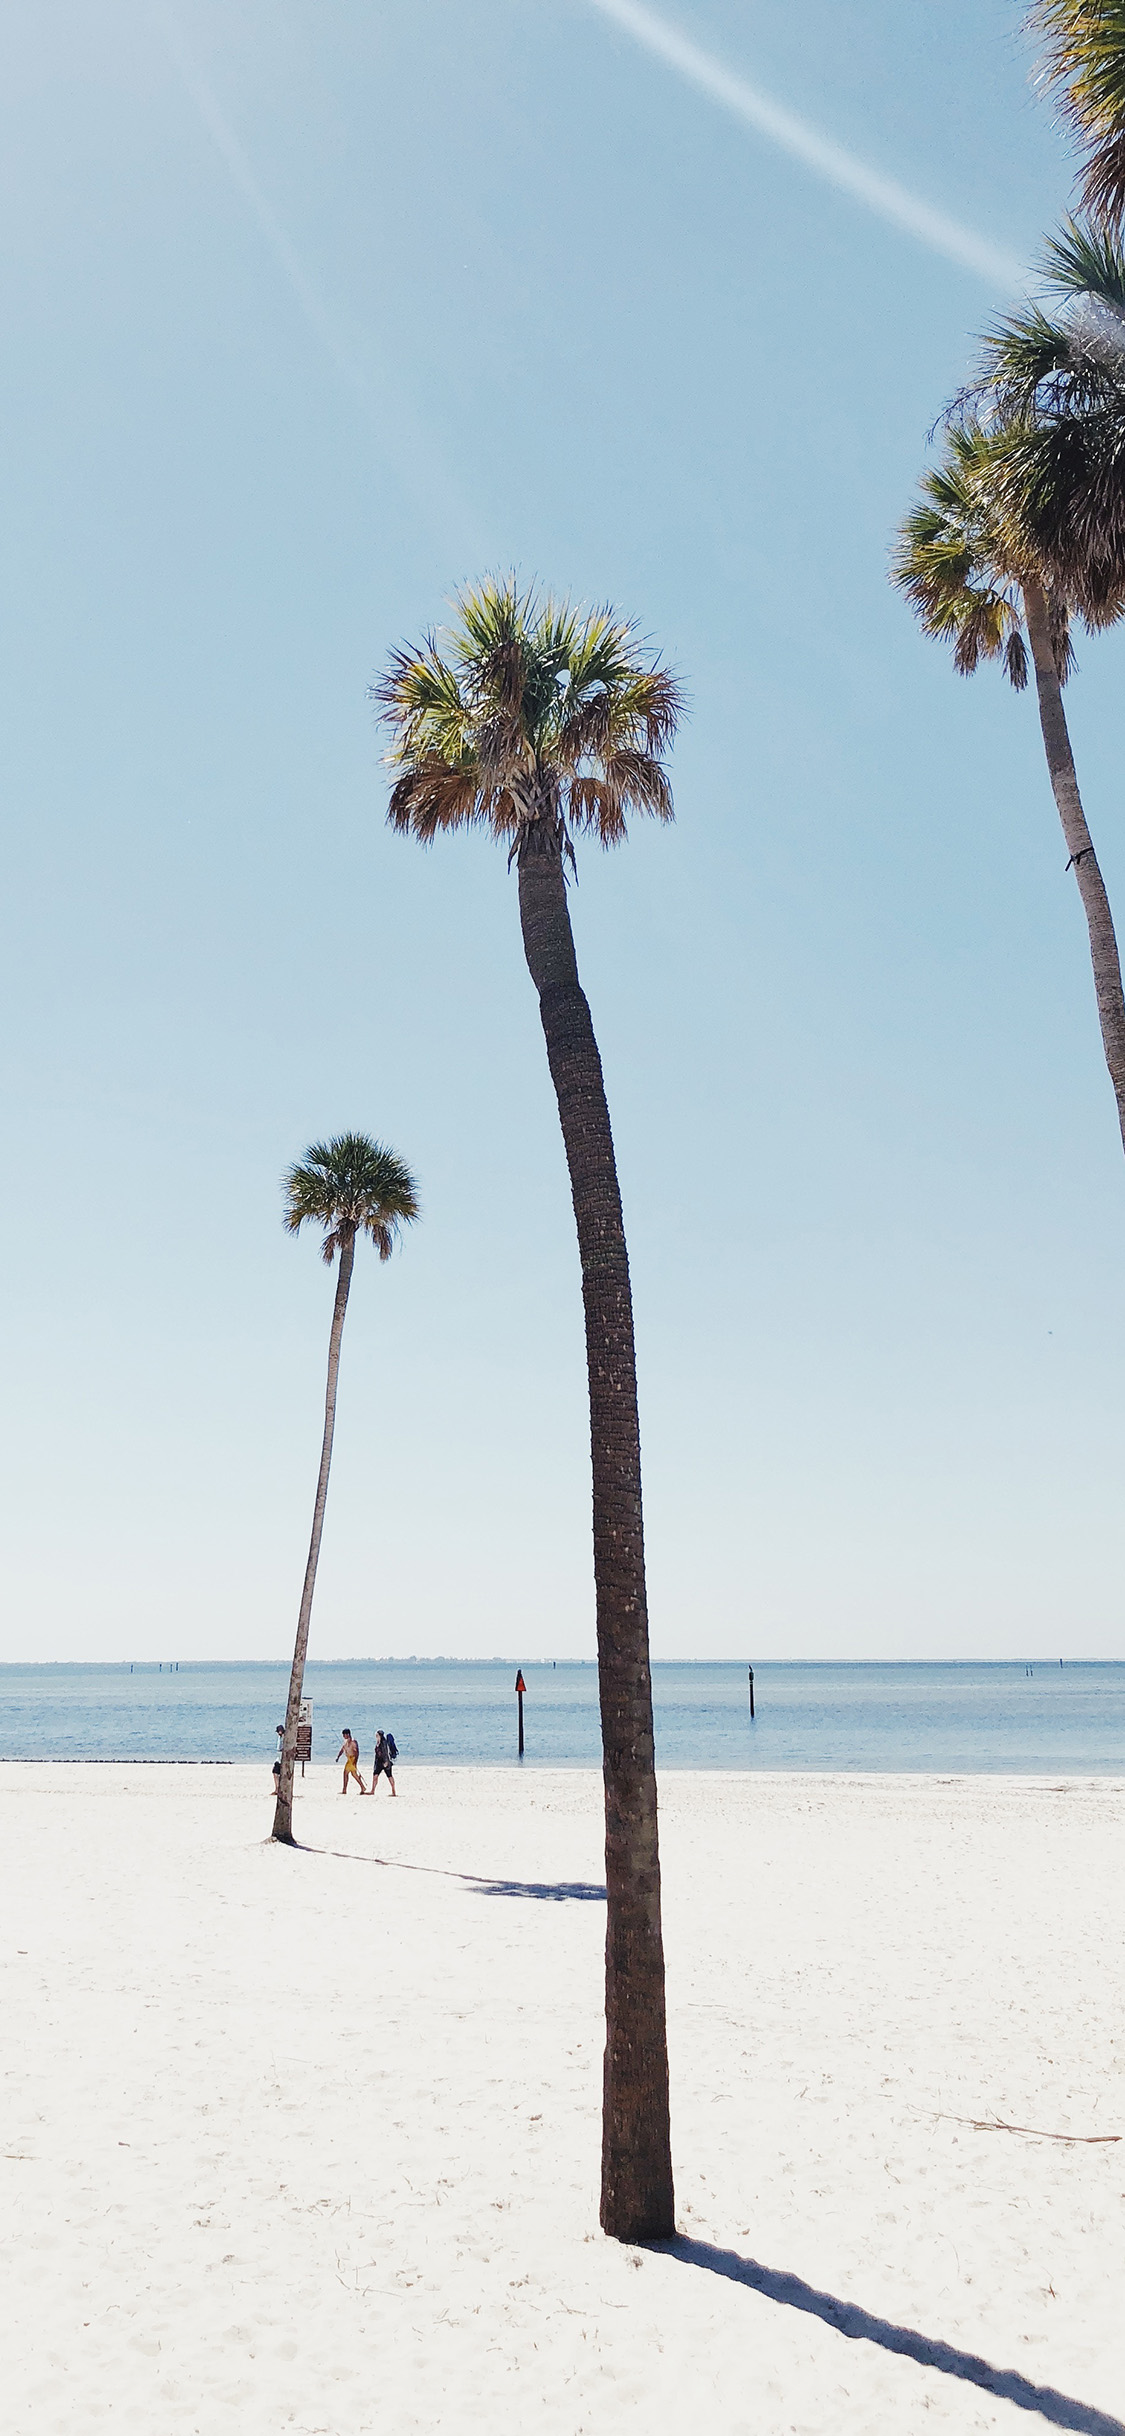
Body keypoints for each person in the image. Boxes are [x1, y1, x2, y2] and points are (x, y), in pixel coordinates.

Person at [335, 1727, 367, 1796]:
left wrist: (355, 1761)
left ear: (348, 1734)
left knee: (347, 1773)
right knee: (353, 1774)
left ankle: (345, 1789)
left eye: (344, 1735)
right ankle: (362, 1787)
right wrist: (338, 1757)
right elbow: (342, 1750)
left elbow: (356, 1752)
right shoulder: (346, 1742)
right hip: (349, 1759)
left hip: (352, 1759)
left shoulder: (353, 1742)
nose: (343, 1736)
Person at [366, 1727, 397, 1796]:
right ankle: (373, 1790)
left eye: (377, 1735)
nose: (376, 1737)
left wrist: (386, 1762)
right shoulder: (378, 1742)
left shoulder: (383, 1743)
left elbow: (385, 1753)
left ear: (380, 1736)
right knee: (375, 1776)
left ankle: (393, 1791)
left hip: (385, 1762)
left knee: (389, 1776)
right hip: (379, 1762)